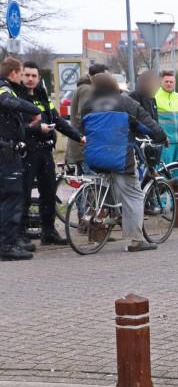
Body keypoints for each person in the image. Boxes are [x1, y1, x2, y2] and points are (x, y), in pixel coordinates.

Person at [81, 72, 168, 252]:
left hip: (94, 157)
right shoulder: (127, 103)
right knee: (134, 195)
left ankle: (106, 218)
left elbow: (83, 127)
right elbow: (148, 125)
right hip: (119, 157)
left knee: (108, 185)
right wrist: (161, 137)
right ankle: (136, 240)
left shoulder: (88, 105)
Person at [20, 60, 84, 246]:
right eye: (27, 75)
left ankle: (48, 232)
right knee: (23, 195)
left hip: (45, 151)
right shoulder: (18, 97)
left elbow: (58, 120)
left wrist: (79, 137)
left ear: (39, 78)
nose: (30, 79)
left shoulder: (42, 96)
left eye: (34, 76)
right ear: (21, 76)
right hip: (27, 152)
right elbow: (18, 126)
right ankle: (21, 235)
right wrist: (38, 128)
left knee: (48, 193)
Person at [0, 57, 41, 261]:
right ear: (14, 72)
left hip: (9, 150)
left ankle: (11, 239)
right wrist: (34, 110)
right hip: (5, 152)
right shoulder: (3, 88)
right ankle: (7, 245)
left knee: (9, 196)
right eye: (22, 73)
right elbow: (7, 101)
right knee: (12, 196)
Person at [66, 64, 108, 171]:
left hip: (84, 146)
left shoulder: (86, 88)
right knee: (94, 185)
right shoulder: (87, 90)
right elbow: (87, 116)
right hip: (86, 147)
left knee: (91, 184)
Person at [153, 70, 178, 170]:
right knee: (164, 173)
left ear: (175, 83)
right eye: (166, 81)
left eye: (171, 82)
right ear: (161, 82)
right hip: (165, 143)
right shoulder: (154, 98)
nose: (169, 84)